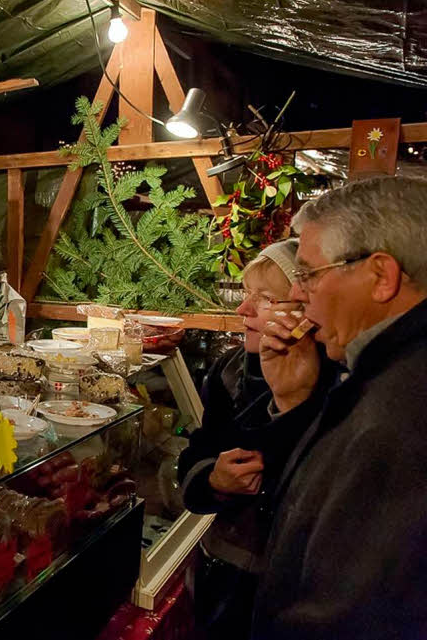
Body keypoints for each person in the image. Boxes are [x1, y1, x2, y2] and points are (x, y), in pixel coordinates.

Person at [252, 176, 427, 640]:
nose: (300, 293)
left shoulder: (406, 414)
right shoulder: (377, 368)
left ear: (381, 276)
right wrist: (292, 399)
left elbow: (352, 616)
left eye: (308, 273)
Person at [177, 240, 336, 639]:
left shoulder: (334, 385)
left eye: (264, 299)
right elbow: (197, 454)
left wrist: (290, 401)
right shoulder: (228, 371)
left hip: (286, 589)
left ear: (303, 312)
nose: (242, 310)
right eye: (246, 295)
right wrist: (212, 480)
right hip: (219, 565)